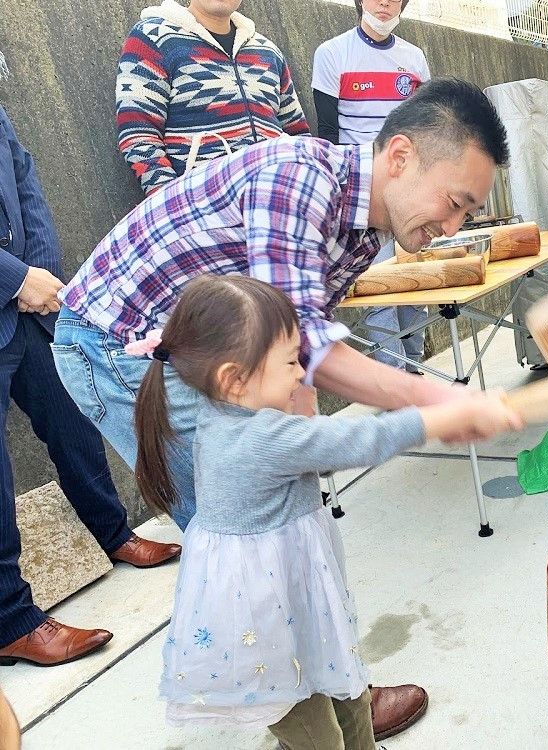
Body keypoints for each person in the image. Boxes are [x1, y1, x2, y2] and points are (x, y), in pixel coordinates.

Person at [52, 77, 505, 734]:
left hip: (206, 359)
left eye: (468, 214)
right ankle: (308, 720)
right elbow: (307, 346)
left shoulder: (361, 229)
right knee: (250, 553)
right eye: (455, 202)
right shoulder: (300, 178)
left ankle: (337, 689)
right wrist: (439, 399)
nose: (453, 227)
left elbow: (290, 357)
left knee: (298, 533)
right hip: (119, 345)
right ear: (399, 156)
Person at [133, 275, 520, 749]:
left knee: (351, 697)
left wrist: (299, 399)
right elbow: (357, 440)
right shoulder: (257, 439)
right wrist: (446, 415)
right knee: (317, 735)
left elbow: (306, 433)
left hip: (294, 606)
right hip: (271, 634)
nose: (303, 371)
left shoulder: (227, 413)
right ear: (234, 379)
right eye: (293, 361)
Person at [0, 99, 180, 667]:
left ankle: (113, 533)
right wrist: (13, 277)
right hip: (14, 287)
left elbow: (24, 179)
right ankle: (11, 621)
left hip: (28, 305)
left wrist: (37, 271)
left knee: (73, 420)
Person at [313, 0, 431, 373]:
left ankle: (413, 370)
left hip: (412, 191)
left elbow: (428, 129)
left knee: (418, 288)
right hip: (362, 193)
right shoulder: (332, 53)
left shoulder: (414, 58)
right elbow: (328, 135)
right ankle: (393, 383)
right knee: (380, 291)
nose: (384, 2)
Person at [116, 0, 310, 195]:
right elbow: (139, 136)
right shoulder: (153, 38)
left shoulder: (268, 51)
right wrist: (174, 204)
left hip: (280, 199)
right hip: (202, 207)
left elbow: (298, 133)